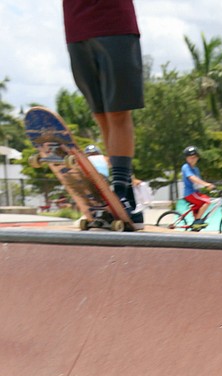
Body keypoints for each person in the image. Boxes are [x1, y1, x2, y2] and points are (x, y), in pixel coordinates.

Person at [62, 0, 144, 225]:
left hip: (114, 24)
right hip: (77, 27)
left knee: (117, 112)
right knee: (100, 114)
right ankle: (122, 199)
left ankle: (120, 192)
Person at [181, 147, 214, 226]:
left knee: (199, 208)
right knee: (207, 201)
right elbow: (192, 178)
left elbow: (198, 182)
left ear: (197, 158)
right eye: (190, 157)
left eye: (195, 157)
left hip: (196, 193)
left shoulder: (196, 169)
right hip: (190, 193)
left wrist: (207, 187)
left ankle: (195, 224)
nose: (193, 159)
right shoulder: (186, 167)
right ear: (186, 158)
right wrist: (206, 184)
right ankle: (197, 221)